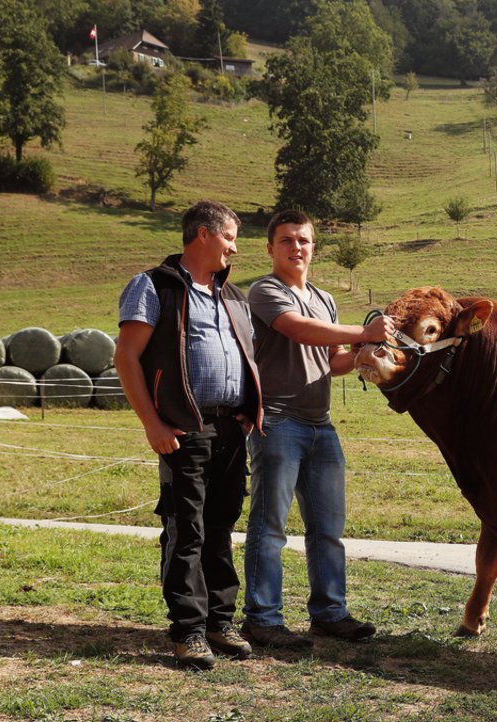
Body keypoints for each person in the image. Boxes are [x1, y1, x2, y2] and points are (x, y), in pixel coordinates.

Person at [114, 200, 261, 671]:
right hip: (183, 427)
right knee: (187, 528)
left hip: (229, 429)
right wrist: (151, 423)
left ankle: (220, 621)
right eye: (229, 236)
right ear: (203, 234)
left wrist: (244, 411)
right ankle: (189, 631)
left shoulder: (232, 294)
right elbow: (127, 358)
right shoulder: (154, 285)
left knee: (221, 525)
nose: (234, 247)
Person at [242, 209, 395, 649]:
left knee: (328, 527)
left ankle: (329, 613)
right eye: (287, 240)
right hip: (277, 422)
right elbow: (300, 331)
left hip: (320, 426)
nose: (296, 247)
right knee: (270, 526)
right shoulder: (265, 291)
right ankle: (262, 618)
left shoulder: (325, 299)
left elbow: (332, 362)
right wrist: (361, 330)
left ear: (314, 247)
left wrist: (367, 352)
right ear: (270, 248)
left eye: (304, 240)